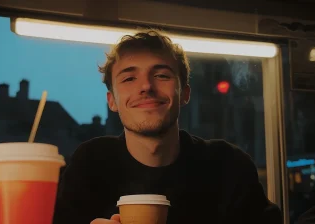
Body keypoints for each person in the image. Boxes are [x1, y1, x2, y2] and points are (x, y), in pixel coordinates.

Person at [52, 29, 282, 224]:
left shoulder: (228, 166)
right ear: (112, 101)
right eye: (129, 78)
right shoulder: (90, 164)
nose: (146, 86)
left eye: (161, 75)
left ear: (185, 94)